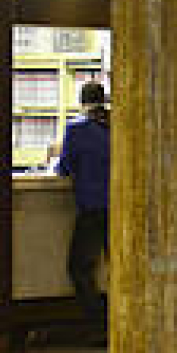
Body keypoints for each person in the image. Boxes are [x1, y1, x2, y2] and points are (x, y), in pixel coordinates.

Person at [55, 81, 111, 331]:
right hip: (122, 207)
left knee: (80, 267)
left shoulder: (76, 129)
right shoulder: (119, 126)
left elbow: (64, 167)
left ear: (81, 101)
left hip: (92, 207)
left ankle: (98, 326)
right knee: (121, 265)